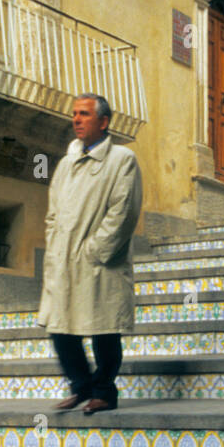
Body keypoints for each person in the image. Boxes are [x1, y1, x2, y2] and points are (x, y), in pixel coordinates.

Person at [38, 93, 144, 416]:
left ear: (104, 122)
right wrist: (55, 243)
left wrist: (96, 250)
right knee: (59, 325)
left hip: (99, 260)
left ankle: (103, 391)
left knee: (103, 326)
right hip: (63, 257)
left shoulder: (122, 160)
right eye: (74, 114)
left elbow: (123, 212)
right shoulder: (66, 162)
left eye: (84, 114)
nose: (76, 119)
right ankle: (80, 385)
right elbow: (53, 211)